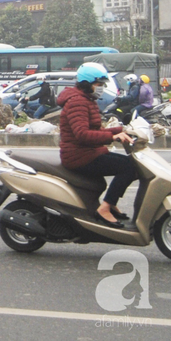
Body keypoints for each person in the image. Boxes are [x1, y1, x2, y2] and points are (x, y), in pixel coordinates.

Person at [58, 62, 137, 229]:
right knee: (129, 167)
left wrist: (122, 129)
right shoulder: (77, 102)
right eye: (98, 84)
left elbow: (94, 129)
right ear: (87, 84)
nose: (101, 88)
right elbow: (82, 134)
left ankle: (110, 203)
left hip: (89, 152)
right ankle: (106, 207)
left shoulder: (87, 99)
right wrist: (112, 136)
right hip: (79, 156)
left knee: (131, 165)